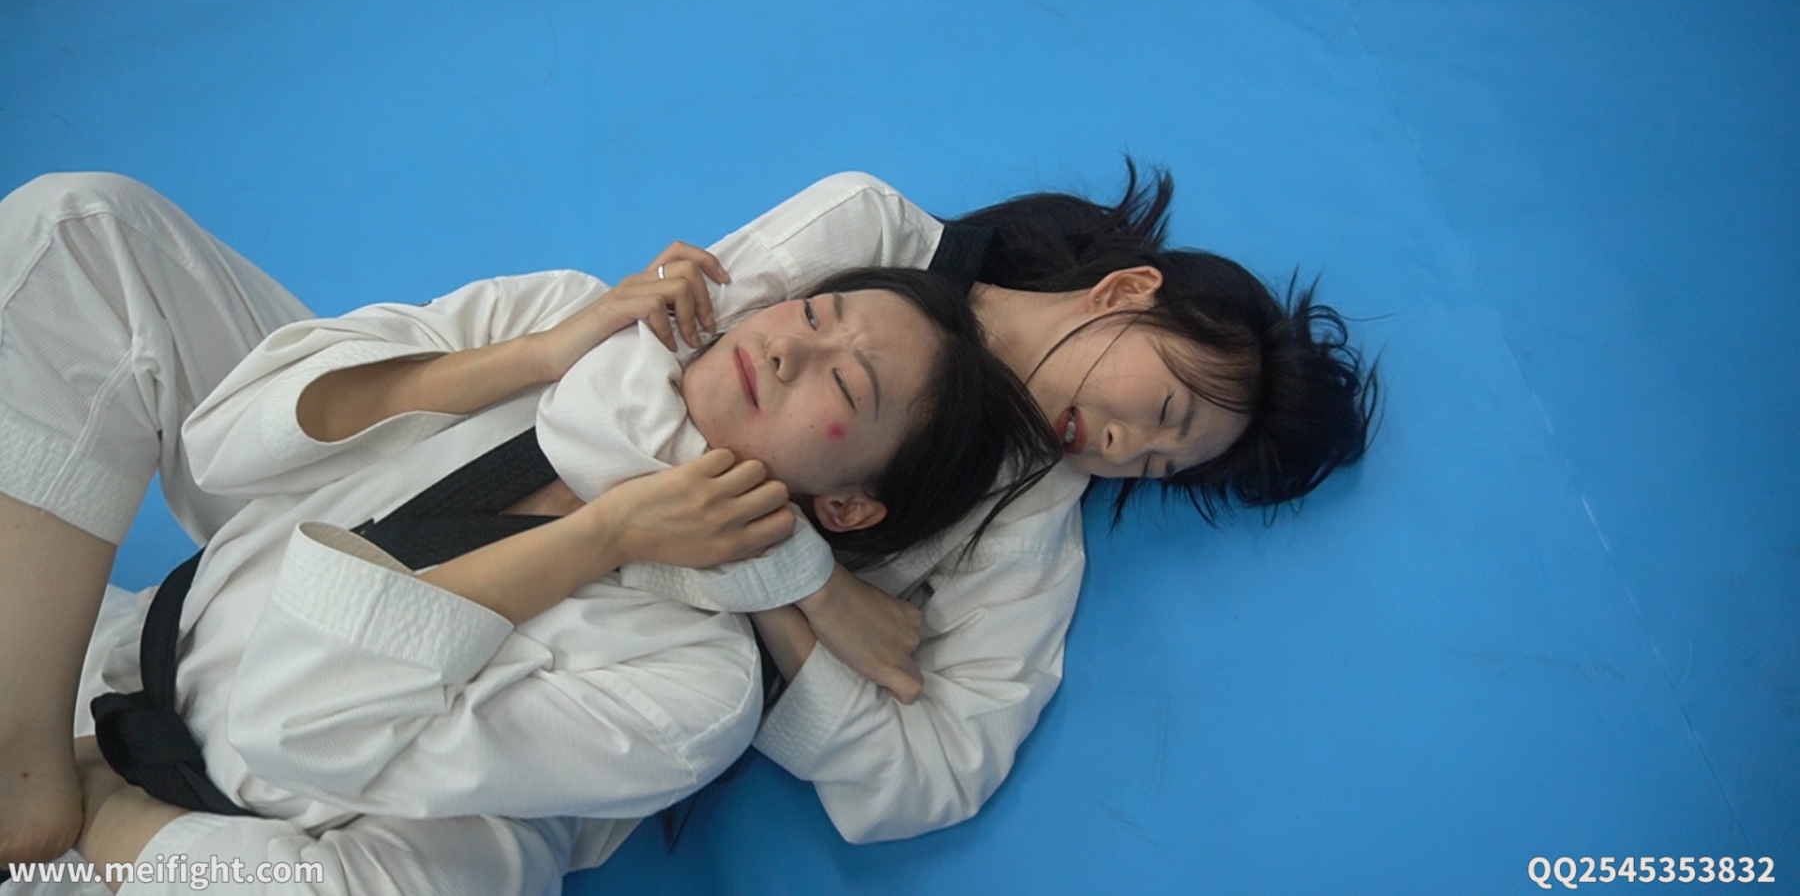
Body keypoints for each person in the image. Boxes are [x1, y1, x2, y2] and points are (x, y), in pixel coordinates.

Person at [5, 165, 1377, 893]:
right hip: (443, 466)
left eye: (1161, 460)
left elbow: (926, 775)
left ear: (863, 501)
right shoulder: (865, 233)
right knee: (84, 232)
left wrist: (741, 579)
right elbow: (631, 380)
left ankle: (121, 822)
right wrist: (806, 578)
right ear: (1128, 292)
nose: (1122, 448)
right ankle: (28, 749)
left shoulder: (1025, 526)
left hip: (571, 665)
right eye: (1157, 406)